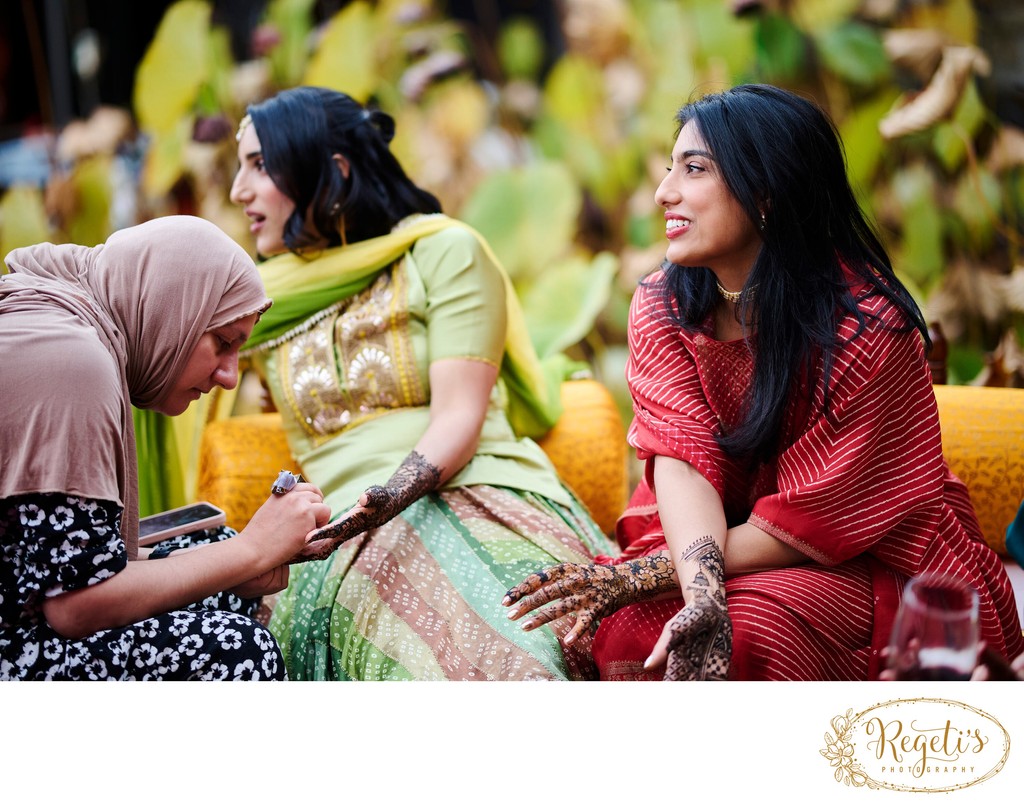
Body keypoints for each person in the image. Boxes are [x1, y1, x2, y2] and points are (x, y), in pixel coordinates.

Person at [503, 83, 1024, 681]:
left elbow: (817, 520)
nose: (663, 191)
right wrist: (699, 593)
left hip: (863, 554)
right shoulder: (663, 303)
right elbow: (680, 458)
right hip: (712, 531)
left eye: (693, 169)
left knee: (748, 634)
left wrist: (638, 576)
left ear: (768, 193)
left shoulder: (867, 328)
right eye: (669, 168)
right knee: (633, 631)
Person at [228, 86, 615, 680]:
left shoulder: (442, 253)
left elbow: (459, 417)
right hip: (341, 537)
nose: (238, 190)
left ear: (332, 171)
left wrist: (386, 499)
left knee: (528, 645)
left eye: (259, 165)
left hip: (480, 488)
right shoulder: (259, 306)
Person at [0, 216, 331, 680]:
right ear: (169, 308)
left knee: (214, 548)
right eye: (222, 343)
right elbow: (74, 606)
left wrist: (235, 560)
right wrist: (254, 550)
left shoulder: (67, 321)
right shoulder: (70, 361)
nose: (230, 376)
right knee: (240, 652)